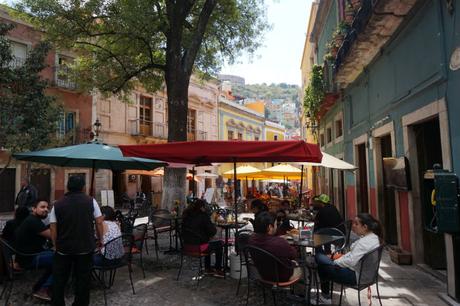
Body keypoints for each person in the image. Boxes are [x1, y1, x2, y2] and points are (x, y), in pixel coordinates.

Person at [50, 175, 104, 306]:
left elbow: (53, 226)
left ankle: (58, 303)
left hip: (64, 249)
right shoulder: (91, 201)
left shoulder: (57, 204)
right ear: (83, 187)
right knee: (83, 281)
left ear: (67, 187)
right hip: (85, 248)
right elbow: (99, 222)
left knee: (59, 280)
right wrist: (100, 239)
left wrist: (54, 244)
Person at [312, 213, 382, 305]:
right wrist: (334, 258)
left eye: (356, 224)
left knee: (319, 260)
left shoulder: (364, 242)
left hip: (358, 277)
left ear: (365, 227)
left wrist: (334, 262)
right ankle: (325, 295)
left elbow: (350, 261)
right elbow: (351, 256)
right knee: (322, 259)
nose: (353, 226)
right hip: (366, 275)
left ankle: (325, 297)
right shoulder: (373, 237)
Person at [14, 200, 53, 301]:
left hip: (26, 256)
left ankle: (39, 287)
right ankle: (43, 289)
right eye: (42, 207)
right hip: (29, 258)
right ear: (34, 209)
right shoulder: (33, 221)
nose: (46, 209)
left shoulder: (33, 220)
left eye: (47, 207)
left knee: (58, 256)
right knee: (63, 259)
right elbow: (53, 236)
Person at [248, 211, 300, 282]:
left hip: (262, 274)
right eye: (276, 224)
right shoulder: (279, 243)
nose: (276, 227)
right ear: (270, 227)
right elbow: (294, 255)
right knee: (297, 265)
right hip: (281, 277)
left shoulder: (251, 240)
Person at [181, 199, 224, 278]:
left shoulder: (186, 215)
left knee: (207, 242)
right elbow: (212, 231)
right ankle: (218, 268)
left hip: (186, 246)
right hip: (198, 248)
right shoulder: (203, 216)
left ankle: (208, 268)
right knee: (219, 244)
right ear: (202, 207)